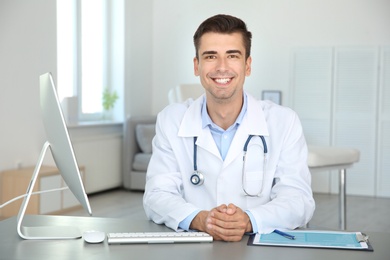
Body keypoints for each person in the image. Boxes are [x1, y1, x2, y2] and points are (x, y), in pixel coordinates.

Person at [143, 14, 315, 242]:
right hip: (193, 249)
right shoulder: (171, 120)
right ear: (197, 66)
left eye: (232, 56)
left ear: (247, 65)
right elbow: (157, 195)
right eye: (210, 56)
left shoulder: (284, 122)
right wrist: (199, 219)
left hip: (260, 249)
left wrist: (250, 220)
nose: (222, 67)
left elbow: (299, 200)